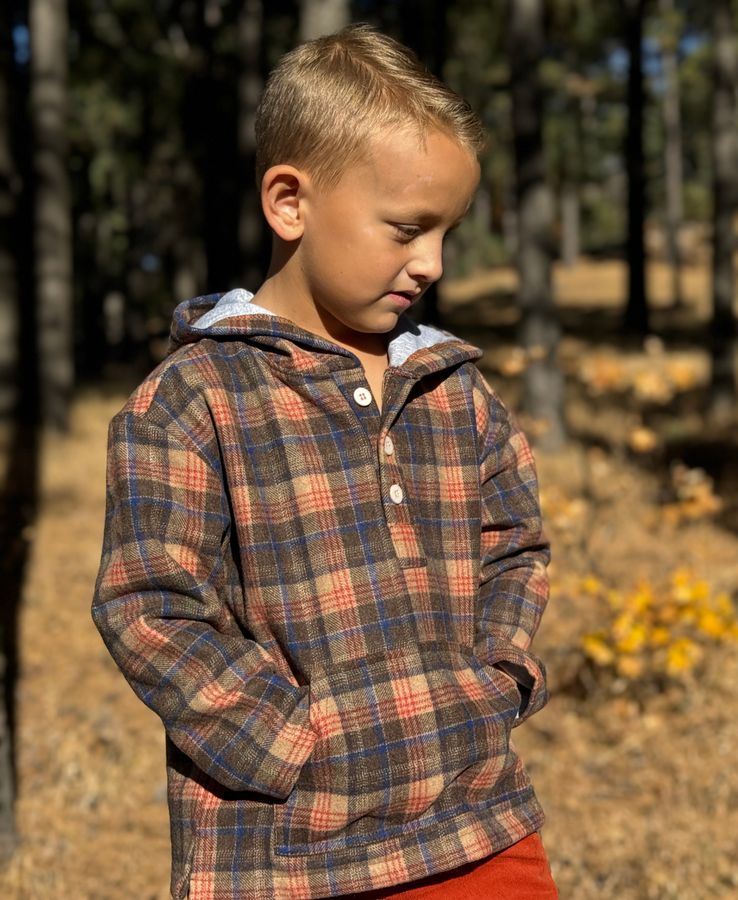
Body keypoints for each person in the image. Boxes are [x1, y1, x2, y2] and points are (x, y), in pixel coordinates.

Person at [92, 24, 556, 900]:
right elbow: (151, 606)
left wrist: (498, 681)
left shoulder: (452, 388)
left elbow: (516, 546)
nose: (432, 264)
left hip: (478, 822)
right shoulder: (193, 401)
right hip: (284, 854)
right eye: (407, 229)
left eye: (447, 233)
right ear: (289, 203)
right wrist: (295, 744)